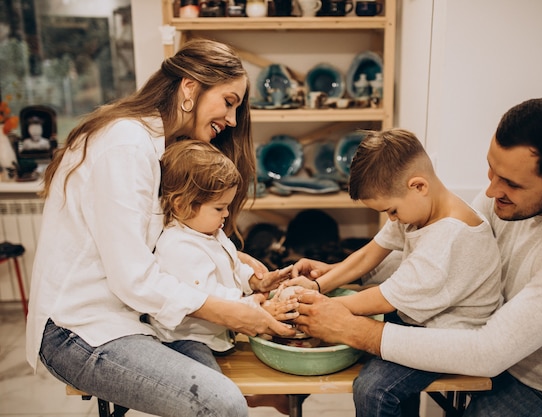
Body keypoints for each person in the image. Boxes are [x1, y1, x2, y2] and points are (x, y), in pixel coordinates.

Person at [292, 98, 542, 417]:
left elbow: (488, 352)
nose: (492, 190)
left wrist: (350, 327)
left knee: (375, 381)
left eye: (509, 183)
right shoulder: (508, 194)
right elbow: (441, 257)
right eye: (490, 169)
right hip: (497, 352)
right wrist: (344, 276)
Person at [25, 39, 296, 417]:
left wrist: (235, 261)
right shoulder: (127, 144)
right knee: (224, 405)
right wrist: (231, 313)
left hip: (130, 317)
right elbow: (133, 277)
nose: (232, 120)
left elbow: (162, 241)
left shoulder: (159, 145)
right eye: (229, 101)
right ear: (189, 88)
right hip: (79, 330)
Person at [286, 128, 502, 416]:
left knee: (373, 390)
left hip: (448, 335)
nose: (391, 219)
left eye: (391, 211)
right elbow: (369, 254)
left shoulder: (449, 238)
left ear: (418, 186)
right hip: (419, 316)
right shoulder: (417, 208)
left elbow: (384, 299)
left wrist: (318, 308)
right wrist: (317, 287)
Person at [152, 139, 297, 353]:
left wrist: (255, 281)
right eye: (219, 208)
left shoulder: (210, 232)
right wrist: (258, 307)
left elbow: (231, 266)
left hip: (217, 334)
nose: (227, 214)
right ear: (182, 205)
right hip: (187, 339)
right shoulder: (179, 247)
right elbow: (210, 296)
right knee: (205, 378)